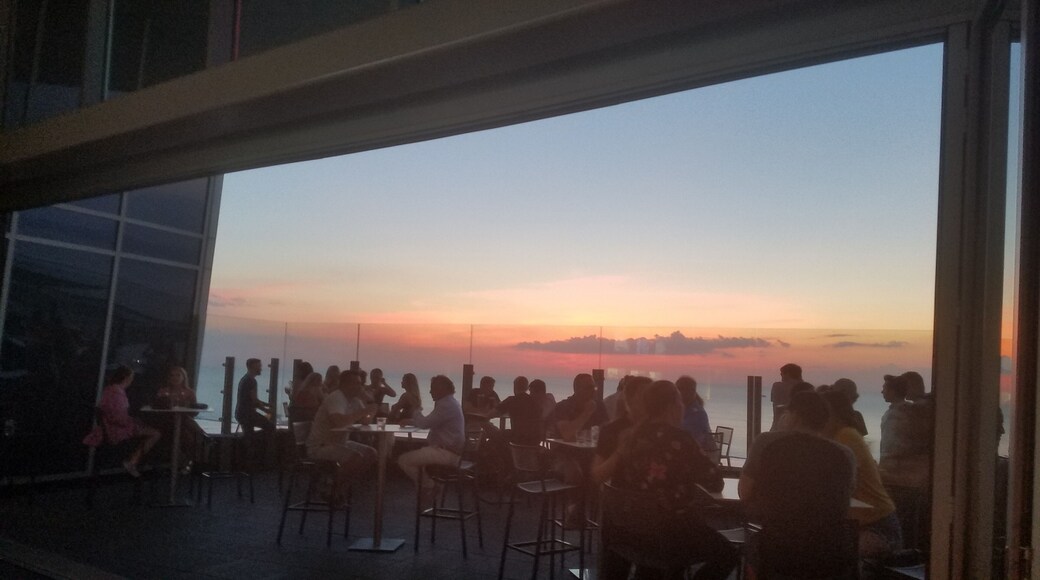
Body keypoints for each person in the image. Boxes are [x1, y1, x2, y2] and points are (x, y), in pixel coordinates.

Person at [602, 380, 737, 580]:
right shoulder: (679, 439)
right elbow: (715, 481)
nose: (683, 406)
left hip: (633, 531)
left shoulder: (632, 437)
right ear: (671, 406)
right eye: (680, 402)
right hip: (671, 531)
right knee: (728, 554)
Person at [740, 390, 857, 575]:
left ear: (793, 416)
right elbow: (844, 501)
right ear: (824, 421)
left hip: (779, 548)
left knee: (752, 547)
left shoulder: (766, 443)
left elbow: (744, 492)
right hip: (830, 552)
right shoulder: (844, 454)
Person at [821, 389, 902, 557]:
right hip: (859, 525)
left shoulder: (845, 436)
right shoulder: (837, 438)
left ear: (832, 414)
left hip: (877, 528)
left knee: (830, 555)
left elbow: (841, 485)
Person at [397, 375, 466, 507]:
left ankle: (430, 487)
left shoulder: (445, 405)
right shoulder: (450, 403)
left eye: (433, 388)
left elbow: (424, 424)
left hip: (446, 453)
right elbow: (431, 421)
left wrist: (416, 408)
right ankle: (425, 496)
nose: (430, 392)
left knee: (404, 460)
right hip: (448, 451)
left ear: (442, 389)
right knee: (417, 461)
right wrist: (412, 421)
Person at [84, 366, 161, 478]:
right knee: (156, 433)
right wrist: (133, 421)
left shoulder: (109, 390)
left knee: (143, 427)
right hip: (116, 431)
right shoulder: (118, 394)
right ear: (126, 378)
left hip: (106, 428)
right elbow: (119, 419)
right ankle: (133, 461)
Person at [306, 370, 378, 488]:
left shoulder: (355, 400)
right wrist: (365, 411)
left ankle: (342, 484)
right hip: (321, 445)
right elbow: (339, 422)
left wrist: (369, 403)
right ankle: (332, 488)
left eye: (360, 383)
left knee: (371, 453)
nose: (360, 387)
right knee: (355, 457)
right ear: (346, 385)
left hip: (340, 442)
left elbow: (365, 421)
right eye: (357, 383)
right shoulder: (336, 397)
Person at [591, 376, 652, 484]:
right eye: (644, 396)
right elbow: (597, 476)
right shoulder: (612, 430)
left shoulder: (660, 429)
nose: (650, 401)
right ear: (629, 399)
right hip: (623, 494)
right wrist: (620, 450)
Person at [548, 373, 608, 441]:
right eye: (589, 388)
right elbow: (568, 434)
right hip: (566, 449)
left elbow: (607, 431)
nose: (593, 391)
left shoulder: (599, 406)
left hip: (592, 449)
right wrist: (586, 413)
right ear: (577, 389)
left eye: (594, 387)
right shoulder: (563, 407)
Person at [495, 375, 542, 444]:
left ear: (514, 387)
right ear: (526, 388)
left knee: (496, 434)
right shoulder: (535, 402)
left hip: (518, 439)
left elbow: (491, 414)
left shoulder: (511, 400)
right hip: (535, 440)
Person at [675, 375, 716, 453]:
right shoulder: (685, 410)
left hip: (699, 455)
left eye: (678, 389)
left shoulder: (697, 414)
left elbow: (685, 436)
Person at [235, 358, 274, 433]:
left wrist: (267, 404)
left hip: (241, 414)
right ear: (253, 367)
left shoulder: (244, 379)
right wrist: (266, 410)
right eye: (259, 366)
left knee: (249, 434)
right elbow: (255, 401)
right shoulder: (251, 381)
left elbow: (251, 399)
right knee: (270, 427)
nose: (261, 369)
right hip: (248, 415)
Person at [770, 363, 803, 430]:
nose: (781, 375)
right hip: (799, 427)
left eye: (782, 373)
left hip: (778, 424)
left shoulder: (777, 386)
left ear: (787, 374)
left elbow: (774, 400)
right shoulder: (805, 388)